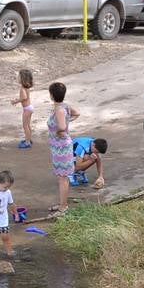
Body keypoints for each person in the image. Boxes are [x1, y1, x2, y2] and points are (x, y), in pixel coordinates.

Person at [46, 81, 79, 215]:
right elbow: (77, 113)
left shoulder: (59, 110)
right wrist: (67, 122)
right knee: (62, 177)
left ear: (52, 95)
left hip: (61, 146)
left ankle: (63, 207)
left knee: (63, 178)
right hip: (59, 146)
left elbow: (61, 127)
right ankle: (62, 204)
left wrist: (60, 130)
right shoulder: (65, 107)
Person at [13, 68, 35, 149]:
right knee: (28, 125)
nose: (17, 78)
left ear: (22, 79)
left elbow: (24, 98)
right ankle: (29, 139)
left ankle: (27, 142)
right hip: (29, 107)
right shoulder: (26, 87)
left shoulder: (22, 88)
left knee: (25, 125)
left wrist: (15, 101)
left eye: (19, 77)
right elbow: (25, 97)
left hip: (27, 109)